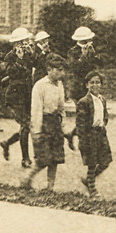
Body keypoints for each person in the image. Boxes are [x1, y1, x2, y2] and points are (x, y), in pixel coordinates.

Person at [22, 54, 69, 191]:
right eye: (58, 70)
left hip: (55, 123)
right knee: (43, 158)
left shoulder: (59, 85)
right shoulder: (40, 86)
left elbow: (61, 106)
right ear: (49, 69)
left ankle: (50, 187)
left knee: (56, 157)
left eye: (62, 70)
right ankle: (26, 179)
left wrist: (62, 123)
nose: (62, 73)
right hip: (43, 122)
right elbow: (36, 110)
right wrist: (36, 131)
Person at [0, 27, 35, 167]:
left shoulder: (28, 54)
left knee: (26, 126)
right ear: (17, 43)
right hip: (15, 96)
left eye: (27, 41)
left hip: (27, 94)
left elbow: (35, 65)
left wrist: (31, 53)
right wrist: (19, 60)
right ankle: (25, 158)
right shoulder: (9, 56)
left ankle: (6, 143)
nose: (26, 43)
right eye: (24, 41)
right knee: (25, 125)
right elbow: (11, 73)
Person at [75, 71, 112, 198]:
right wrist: (83, 139)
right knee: (92, 162)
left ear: (101, 85)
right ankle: (92, 187)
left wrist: (103, 122)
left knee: (105, 161)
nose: (95, 85)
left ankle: (88, 179)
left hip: (100, 133)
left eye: (97, 82)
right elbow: (80, 123)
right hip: (89, 134)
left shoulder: (102, 100)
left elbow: (105, 114)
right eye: (92, 83)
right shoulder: (84, 101)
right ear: (87, 85)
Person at [67, 26, 102, 101]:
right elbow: (73, 68)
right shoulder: (73, 51)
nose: (91, 39)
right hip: (78, 87)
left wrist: (94, 54)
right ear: (84, 40)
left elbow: (99, 64)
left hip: (91, 86)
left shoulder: (92, 49)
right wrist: (83, 57)